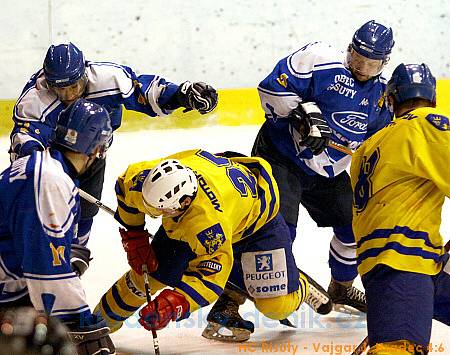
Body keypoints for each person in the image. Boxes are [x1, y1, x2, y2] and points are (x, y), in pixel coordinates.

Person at [209, 20, 394, 327]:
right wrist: (303, 113)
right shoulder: (319, 59)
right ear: (349, 49)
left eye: (371, 64)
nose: (363, 68)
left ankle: (342, 288)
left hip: (328, 171)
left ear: (384, 63)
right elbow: (271, 88)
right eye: (358, 59)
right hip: (282, 157)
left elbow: (376, 142)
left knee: (354, 224)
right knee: (272, 231)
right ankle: (229, 302)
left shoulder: (379, 95)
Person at [93, 150, 331, 342]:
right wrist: (135, 236)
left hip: (257, 226)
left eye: (161, 212)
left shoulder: (207, 225)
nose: (156, 215)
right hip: (221, 202)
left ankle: (297, 283)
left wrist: (174, 303)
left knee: (275, 306)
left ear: (185, 202)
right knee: (149, 275)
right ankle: (95, 326)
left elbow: (209, 277)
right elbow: (127, 190)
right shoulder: (147, 179)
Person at [9, 42, 218, 247]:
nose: (69, 95)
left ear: (84, 73)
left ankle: (76, 255)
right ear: (49, 82)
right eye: (60, 89)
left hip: (94, 153)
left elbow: (142, 91)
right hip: (56, 159)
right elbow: (25, 138)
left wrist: (182, 96)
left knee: (86, 210)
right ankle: (52, 258)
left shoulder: (107, 79)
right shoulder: (35, 100)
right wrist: (37, 163)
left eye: (74, 86)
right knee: (51, 212)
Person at [0, 98, 115, 354]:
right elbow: (45, 270)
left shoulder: (45, 168)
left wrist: (64, 255)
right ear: (98, 148)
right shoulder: (49, 181)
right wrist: (82, 322)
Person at [350, 63, 450, 354]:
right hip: (404, 263)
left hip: (394, 263)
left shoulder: (368, 146)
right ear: (432, 98)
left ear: (390, 101)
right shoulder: (427, 123)